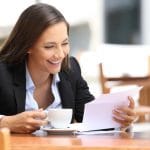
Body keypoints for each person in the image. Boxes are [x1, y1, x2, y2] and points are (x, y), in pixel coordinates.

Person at [0, 3, 136, 133]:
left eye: (64, 43)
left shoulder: (71, 70)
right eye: (49, 46)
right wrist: (6, 123)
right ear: (28, 46)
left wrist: (119, 120)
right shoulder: (3, 73)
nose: (60, 54)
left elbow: (93, 119)